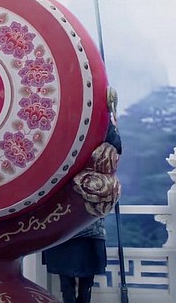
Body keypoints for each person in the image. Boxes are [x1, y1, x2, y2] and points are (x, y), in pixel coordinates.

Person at [43, 122, 122, 303]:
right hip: (67, 202)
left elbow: (115, 147)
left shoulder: (99, 122)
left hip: (85, 199)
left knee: (82, 276)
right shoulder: (58, 125)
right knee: (69, 278)